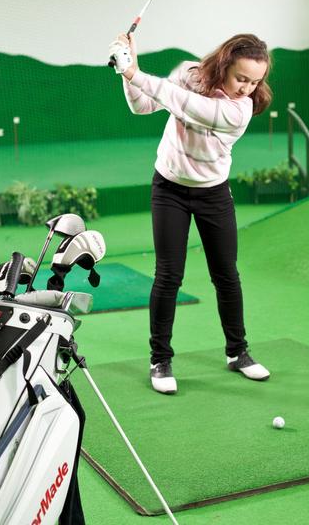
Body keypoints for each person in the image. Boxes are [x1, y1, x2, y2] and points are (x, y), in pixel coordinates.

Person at [109, 32, 272, 394]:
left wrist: (134, 72)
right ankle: (160, 359)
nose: (247, 88)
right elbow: (142, 105)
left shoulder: (238, 110)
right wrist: (127, 70)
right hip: (169, 188)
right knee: (168, 275)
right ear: (224, 65)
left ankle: (237, 352)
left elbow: (184, 104)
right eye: (241, 78)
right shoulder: (190, 73)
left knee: (226, 275)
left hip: (213, 193)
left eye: (255, 82)